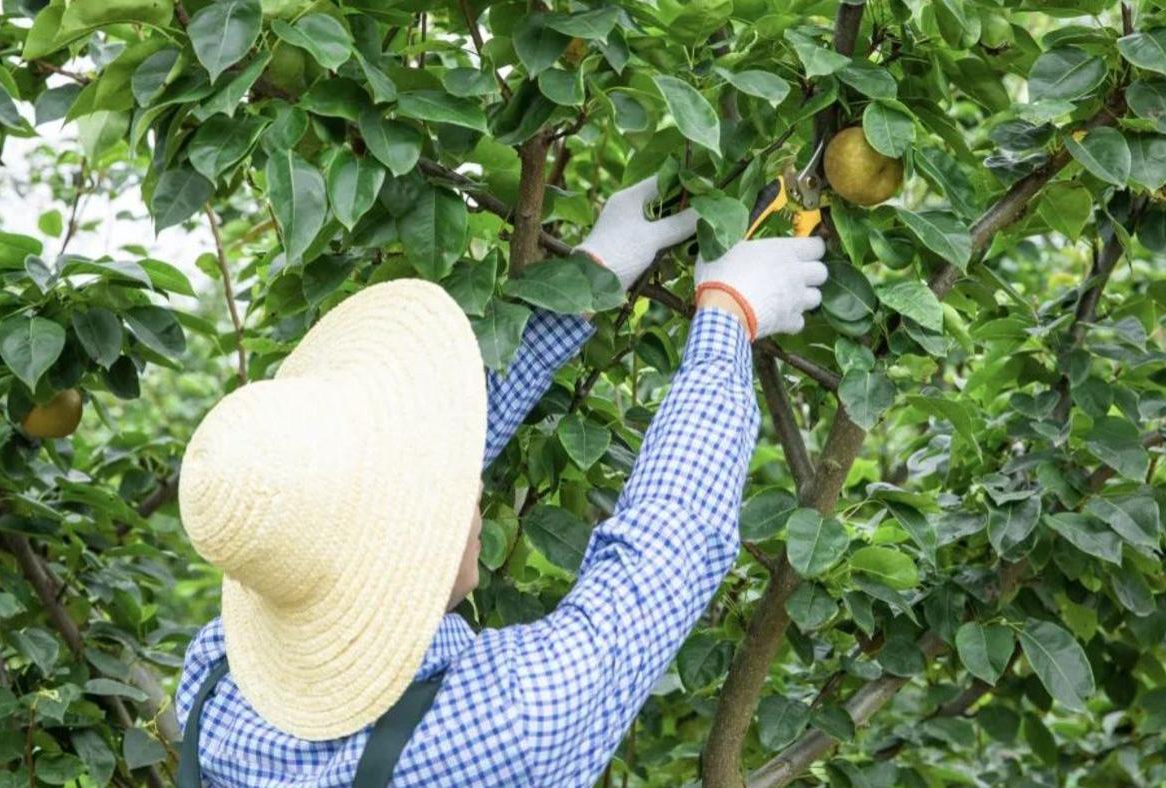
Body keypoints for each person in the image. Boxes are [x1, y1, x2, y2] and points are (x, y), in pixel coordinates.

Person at [174, 177, 828, 786]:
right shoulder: (506, 719)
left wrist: (586, 281)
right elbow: (661, 557)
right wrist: (727, 317)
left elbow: (413, 459)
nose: (469, 489)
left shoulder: (213, 679)